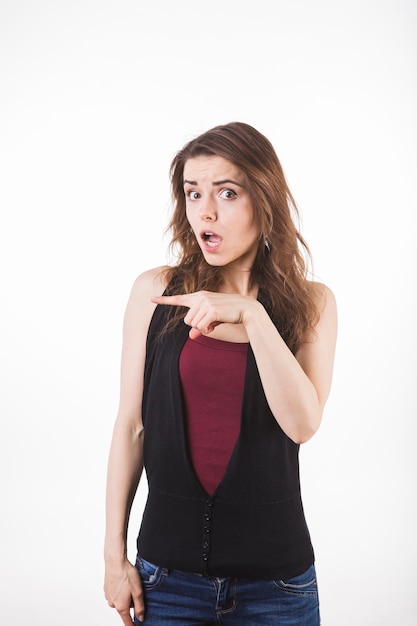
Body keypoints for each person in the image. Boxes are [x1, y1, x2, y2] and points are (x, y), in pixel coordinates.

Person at [103, 121, 337, 626]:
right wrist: (112, 557)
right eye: (193, 193)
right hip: (165, 583)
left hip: (278, 587)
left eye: (226, 193)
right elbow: (131, 426)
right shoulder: (155, 293)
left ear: (264, 199)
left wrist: (252, 316)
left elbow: (302, 424)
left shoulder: (311, 304)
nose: (204, 211)